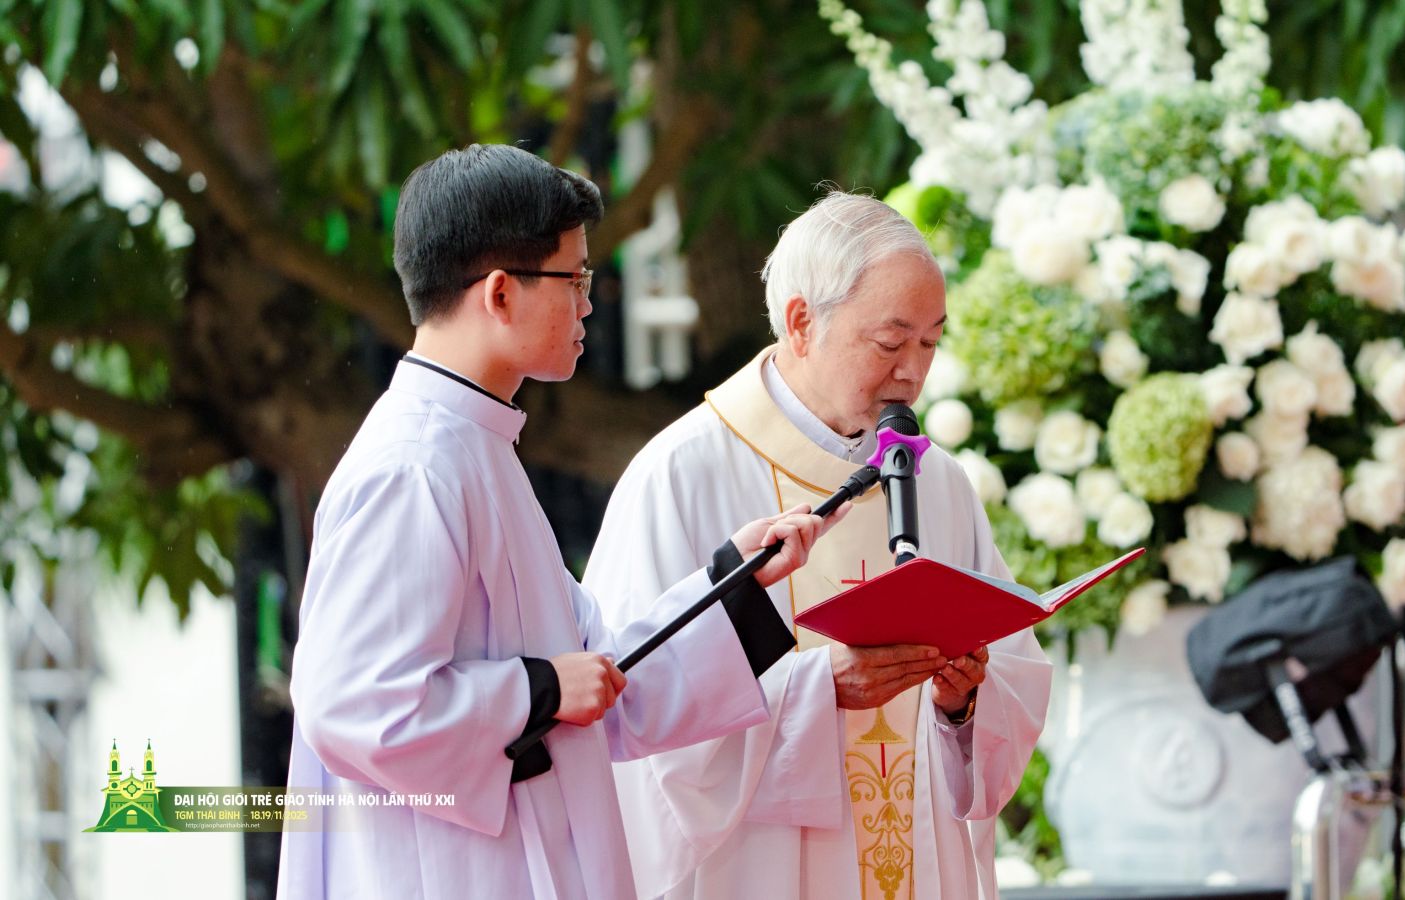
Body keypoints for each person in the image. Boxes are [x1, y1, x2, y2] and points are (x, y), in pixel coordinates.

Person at [276, 145, 844, 900]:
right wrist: (537, 689)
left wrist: (731, 582)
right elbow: (352, 706)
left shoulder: (477, 446)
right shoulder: (414, 465)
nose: (588, 305)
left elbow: (599, 679)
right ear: (500, 293)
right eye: (574, 279)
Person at [584, 192, 1053, 900]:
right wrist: (815, 691)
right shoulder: (681, 474)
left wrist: (963, 703)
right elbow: (631, 714)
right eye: (891, 343)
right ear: (802, 322)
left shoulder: (940, 483)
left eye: (930, 343)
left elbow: (1014, 676)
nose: (913, 372)